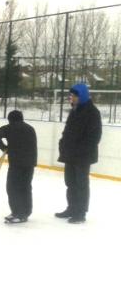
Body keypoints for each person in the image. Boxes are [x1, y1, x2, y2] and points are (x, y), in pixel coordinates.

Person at [55, 83, 102, 224]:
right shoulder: (74, 111)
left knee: (81, 184)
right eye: (70, 96)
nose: (71, 98)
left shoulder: (92, 112)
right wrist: (62, 143)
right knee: (70, 182)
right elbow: (68, 131)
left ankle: (80, 212)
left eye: (74, 96)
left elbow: (95, 136)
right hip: (70, 154)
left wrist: (81, 150)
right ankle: (71, 208)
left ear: (81, 96)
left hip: (82, 156)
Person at [0, 110, 38, 224]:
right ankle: (25, 212)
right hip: (30, 163)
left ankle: (18, 213)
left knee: (13, 188)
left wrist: (3, 147)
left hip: (17, 164)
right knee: (25, 187)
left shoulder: (9, 128)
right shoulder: (30, 128)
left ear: (10, 119)